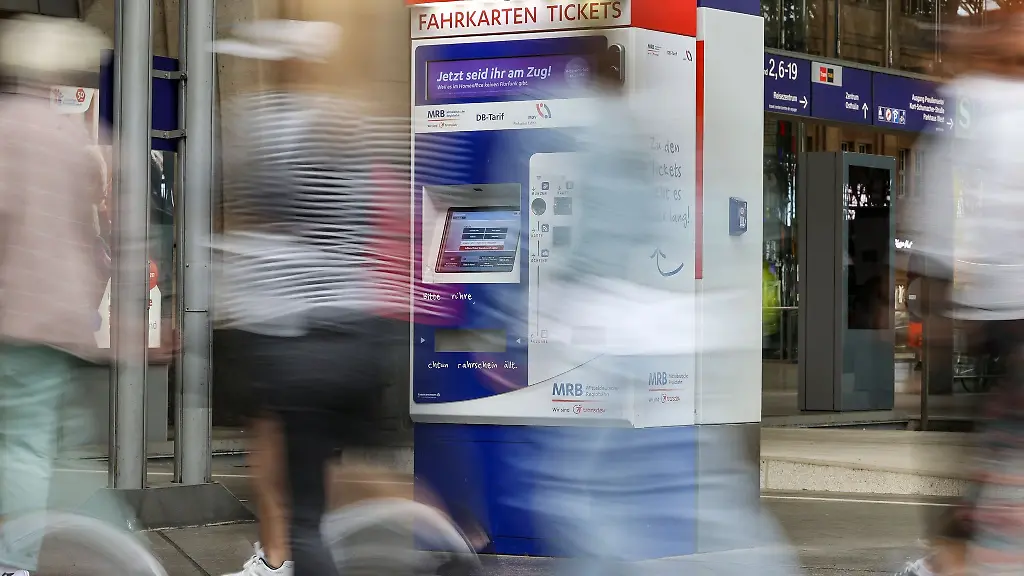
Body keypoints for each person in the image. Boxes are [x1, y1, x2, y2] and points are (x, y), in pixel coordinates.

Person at [212, 2, 473, 575]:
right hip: (354, 329)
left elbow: (254, 210)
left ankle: (285, 558)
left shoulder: (264, 121)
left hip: (284, 332)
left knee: (303, 488)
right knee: (317, 472)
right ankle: (436, 526)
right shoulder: (360, 125)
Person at [897, 10, 1024, 576]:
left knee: (993, 455)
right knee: (992, 455)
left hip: (1003, 313)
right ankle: (954, 559)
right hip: (1005, 314)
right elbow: (937, 210)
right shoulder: (975, 100)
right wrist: (934, 304)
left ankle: (955, 559)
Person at [0, 14, 109, 576]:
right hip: (57, 318)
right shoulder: (75, 140)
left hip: (11, 312)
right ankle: (17, 561)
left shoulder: (5, 129)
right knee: (29, 445)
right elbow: (95, 225)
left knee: (18, 446)